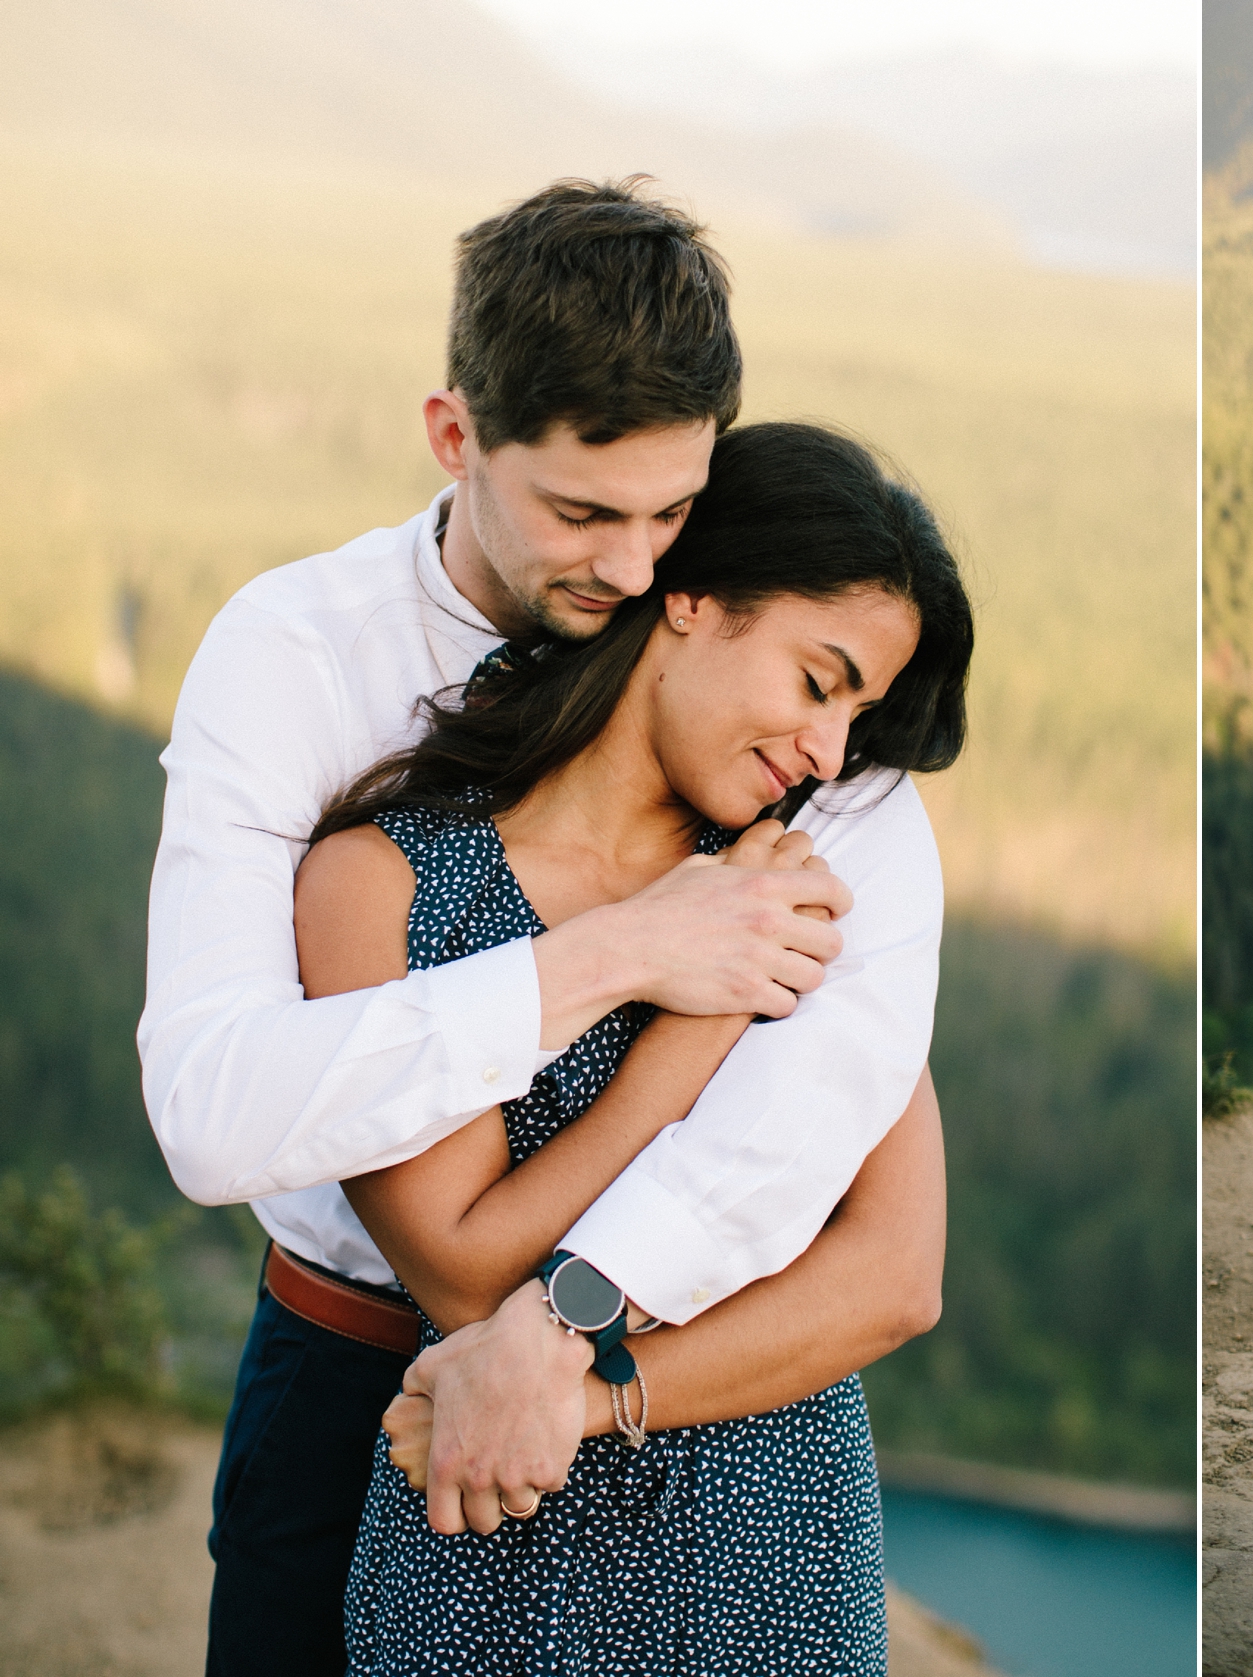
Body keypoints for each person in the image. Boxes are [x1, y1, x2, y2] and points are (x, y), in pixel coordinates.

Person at [140, 180, 947, 1672]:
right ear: (456, 439)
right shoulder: (298, 658)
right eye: (583, 514)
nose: (638, 571)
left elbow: (859, 1176)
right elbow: (210, 1113)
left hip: (705, 1412)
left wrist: (568, 1352)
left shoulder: (780, 720)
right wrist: (625, 956)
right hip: (355, 1372)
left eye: (672, 515)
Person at [292, 420, 969, 1669]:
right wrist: (694, 1022)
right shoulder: (378, 885)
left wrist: (589, 1394)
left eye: (856, 717)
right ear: (692, 599)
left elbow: (894, 1274)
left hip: (765, 1552)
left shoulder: (800, 872)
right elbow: (463, 1274)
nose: (829, 754)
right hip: (481, 1551)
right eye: (820, 683)